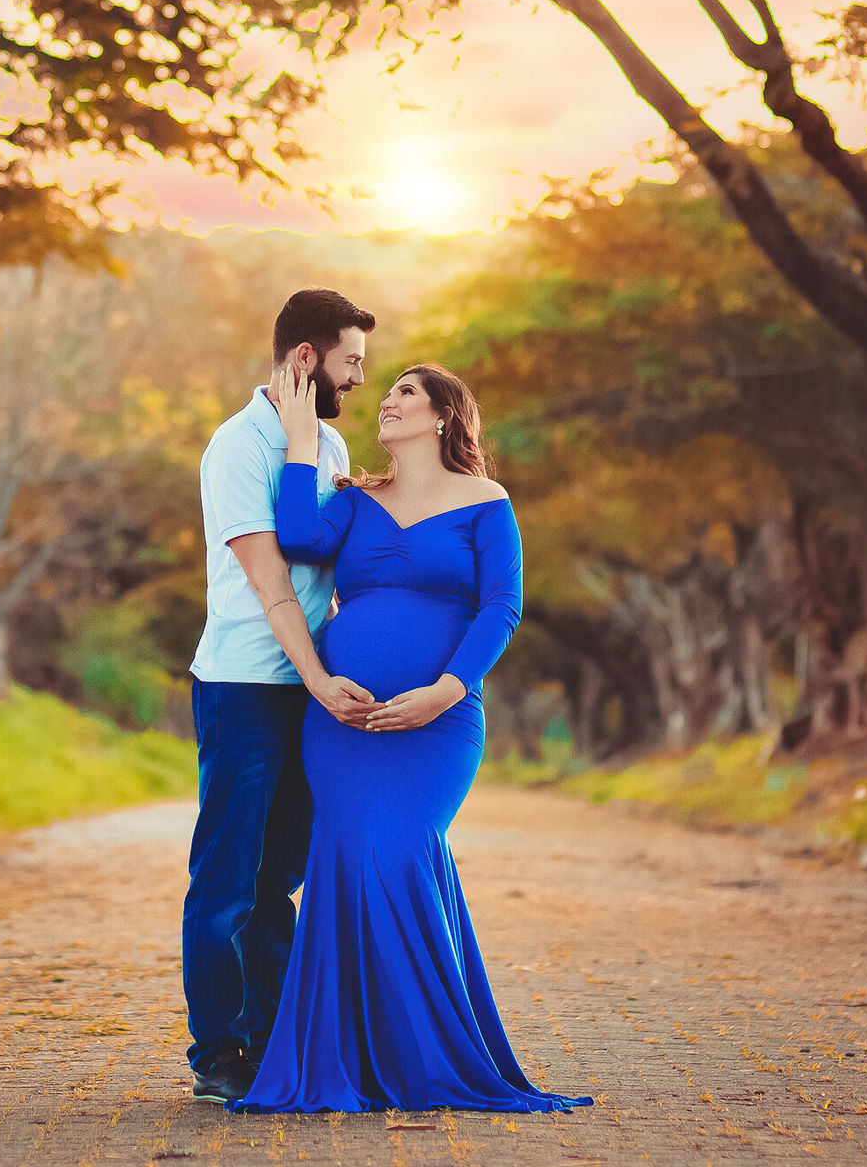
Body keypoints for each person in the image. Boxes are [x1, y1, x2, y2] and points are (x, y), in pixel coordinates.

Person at [230, 362, 595, 1116]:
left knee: (396, 853)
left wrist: (443, 690)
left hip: (441, 722)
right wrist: (303, 443)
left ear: (441, 417)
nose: (385, 402)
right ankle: (357, 1060)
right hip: (344, 723)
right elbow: (296, 537)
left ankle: (423, 1056)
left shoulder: (486, 503)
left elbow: (501, 607)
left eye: (404, 393)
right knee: (347, 860)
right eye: (386, 392)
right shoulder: (355, 501)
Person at [182, 288, 378, 1104]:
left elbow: (328, 566)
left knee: (280, 877)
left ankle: (271, 1040)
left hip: (307, 688)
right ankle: (219, 1051)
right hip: (245, 686)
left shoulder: (326, 443)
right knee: (227, 876)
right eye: (351, 363)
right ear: (308, 358)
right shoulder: (237, 447)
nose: (361, 379)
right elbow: (272, 587)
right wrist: (320, 679)